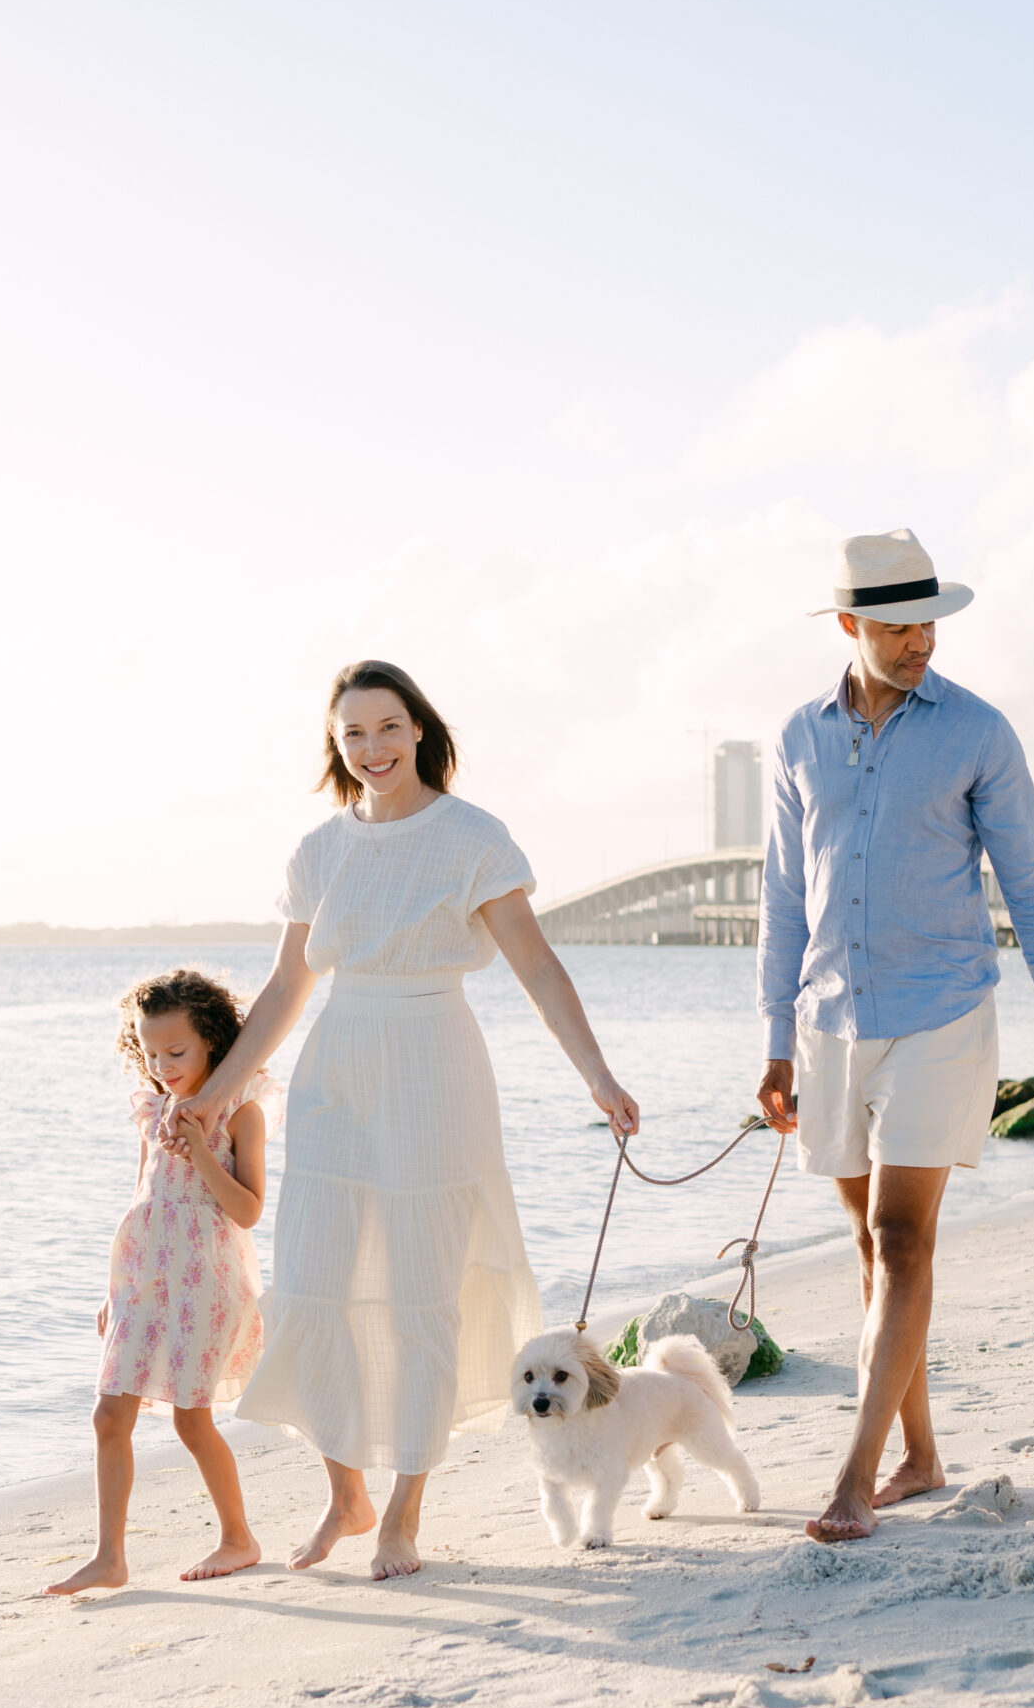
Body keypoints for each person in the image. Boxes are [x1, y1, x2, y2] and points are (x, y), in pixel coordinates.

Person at [179, 657, 639, 1580]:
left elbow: (539, 969)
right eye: (353, 733)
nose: (372, 747)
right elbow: (283, 988)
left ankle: (401, 1515)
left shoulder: (471, 837)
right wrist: (213, 1094)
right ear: (336, 745)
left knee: (426, 1292)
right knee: (317, 1280)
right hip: (337, 1071)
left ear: (419, 729)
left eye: (387, 727)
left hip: (436, 1067)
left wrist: (595, 1073)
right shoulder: (320, 849)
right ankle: (345, 1493)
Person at [757, 528, 1034, 1543]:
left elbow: (1031, 882)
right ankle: (921, 1455)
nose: (920, 639)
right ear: (848, 625)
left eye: (927, 620)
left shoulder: (976, 732)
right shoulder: (796, 737)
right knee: (864, 1247)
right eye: (895, 624)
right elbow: (783, 898)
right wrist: (774, 1040)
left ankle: (854, 1473)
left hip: (940, 1012)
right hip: (828, 1018)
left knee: (900, 1237)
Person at [45, 969, 281, 1595]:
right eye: (150, 1053)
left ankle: (239, 1538)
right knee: (108, 1414)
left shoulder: (243, 1108)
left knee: (190, 1420)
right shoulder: (151, 1108)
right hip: (144, 1282)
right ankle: (109, 1558)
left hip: (208, 1281)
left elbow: (249, 1211)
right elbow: (142, 1198)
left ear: (211, 1041)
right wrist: (113, 1289)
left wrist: (204, 1147)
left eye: (176, 1052)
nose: (163, 1065)